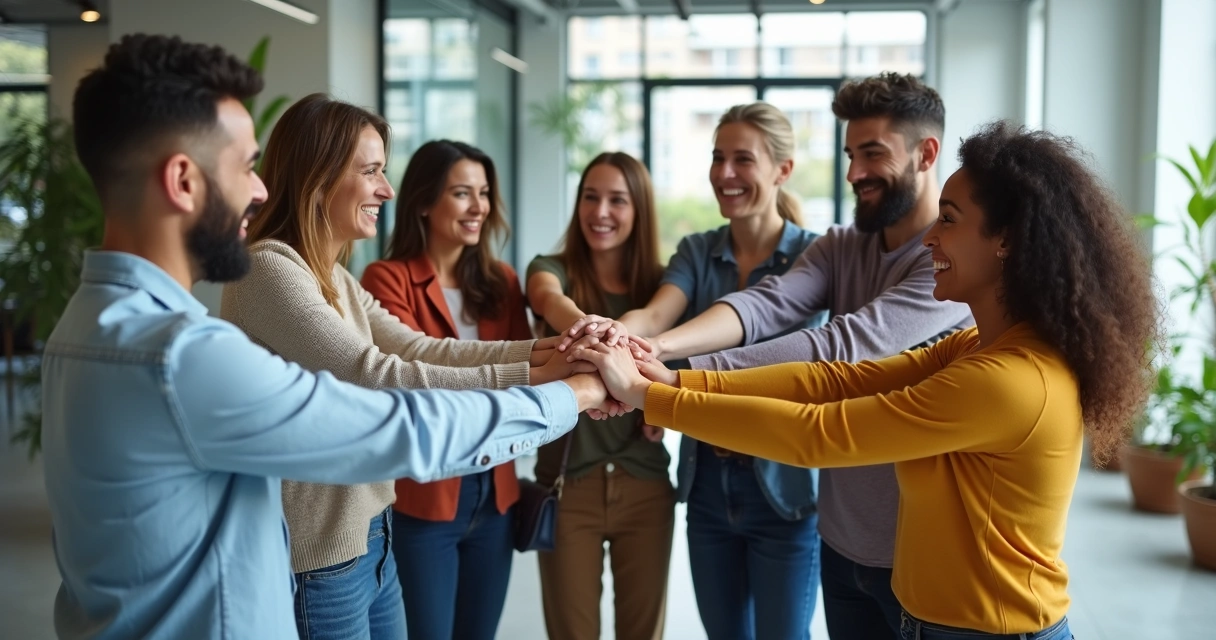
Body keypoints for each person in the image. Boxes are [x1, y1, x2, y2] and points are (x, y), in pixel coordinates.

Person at [43, 34, 613, 640]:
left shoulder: (82, 327)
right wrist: (573, 394)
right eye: (244, 166)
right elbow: (392, 414)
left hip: (367, 543)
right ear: (183, 180)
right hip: (319, 570)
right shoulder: (182, 355)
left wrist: (548, 357)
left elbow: (413, 350)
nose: (261, 188)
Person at [578, 121, 1157, 640]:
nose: (930, 239)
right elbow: (838, 382)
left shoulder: (1008, 379)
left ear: (1006, 239)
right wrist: (669, 382)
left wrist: (648, 397)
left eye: (949, 221)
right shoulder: (977, 346)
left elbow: (820, 434)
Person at [564, 73, 973, 637]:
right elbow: (766, 304)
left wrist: (671, 382)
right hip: (842, 529)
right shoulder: (838, 245)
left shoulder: (946, 260)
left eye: (871, 153)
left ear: (927, 153)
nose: (853, 173)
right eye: (850, 153)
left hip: (914, 540)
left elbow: (839, 346)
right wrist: (653, 346)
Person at [219, 95, 583, 639]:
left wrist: (549, 354)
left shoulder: (334, 278)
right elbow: (375, 374)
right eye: (370, 172)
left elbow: (424, 349)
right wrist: (556, 381)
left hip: (374, 535)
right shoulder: (268, 271)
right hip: (318, 558)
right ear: (318, 178)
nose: (385, 190)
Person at [565, 103, 826, 639]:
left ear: (782, 170)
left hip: (785, 487)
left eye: (742, 160)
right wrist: (615, 334)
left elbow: (795, 363)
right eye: (717, 158)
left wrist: (642, 354)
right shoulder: (698, 250)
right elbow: (657, 312)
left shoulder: (814, 257)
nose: (724, 174)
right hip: (708, 482)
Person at [359, 140, 529, 639]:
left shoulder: (502, 281)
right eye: (461, 193)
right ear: (425, 202)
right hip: (425, 496)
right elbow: (417, 379)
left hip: (495, 492)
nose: (479, 207)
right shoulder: (386, 279)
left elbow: (530, 370)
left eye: (483, 193)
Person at [525, 152, 672, 640]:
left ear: (639, 210)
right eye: (590, 196)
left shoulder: (662, 284)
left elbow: (677, 368)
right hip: (569, 487)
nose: (600, 212)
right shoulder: (551, 267)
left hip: (645, 484)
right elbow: (549, 299)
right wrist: (592, 328)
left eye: (616, 200)